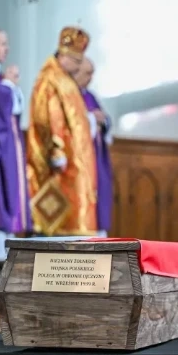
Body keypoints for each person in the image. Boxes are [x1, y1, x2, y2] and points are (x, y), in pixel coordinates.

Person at [25, 26, 98, 236]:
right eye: (76, 61)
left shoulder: (64, 77)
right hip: (62, 161)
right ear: (63, 55)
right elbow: (49, 115)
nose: (78, 66)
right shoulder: (50, 79)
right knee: (59, 217)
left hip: (75, 158)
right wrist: (57, 149)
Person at [0, 28, 30, 261]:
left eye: (6, 43)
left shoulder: (0, 79)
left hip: (5, 148)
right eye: (0, 42)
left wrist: (8, 86)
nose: (6, 48)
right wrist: (6, 87)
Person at [73, 57, 113, 237]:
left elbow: (105, 120)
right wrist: (90, 118)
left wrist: (103, 120)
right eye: (87, 73)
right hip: (79, 159)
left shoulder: (90, 96)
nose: (90, 78)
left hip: (96, 158)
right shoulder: (69, 95)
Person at [0, 65, 28, 137]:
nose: (17, 79)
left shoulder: (16, 89)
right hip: (6, 129)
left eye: (18, 76)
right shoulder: (3, 90)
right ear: (8, 74)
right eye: (15, 76)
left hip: (16, 124)